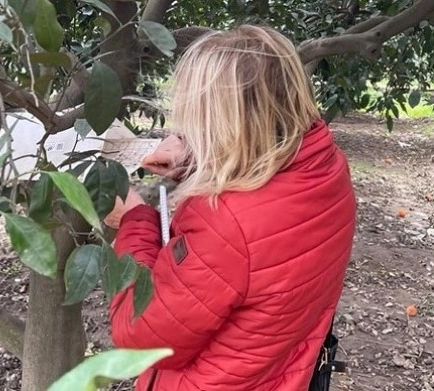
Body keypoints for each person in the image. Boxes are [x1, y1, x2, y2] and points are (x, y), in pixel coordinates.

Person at [104, 24, 357, 391]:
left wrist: (132, 220)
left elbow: (142, 335)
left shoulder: (225, 224)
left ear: (224, 121)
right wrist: (197, 161)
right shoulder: (326, 167)